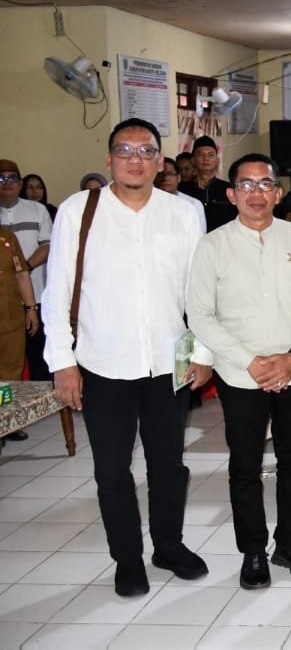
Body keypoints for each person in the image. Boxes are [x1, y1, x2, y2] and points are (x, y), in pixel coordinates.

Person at [42, 118, 213, 597]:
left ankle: (168, 545)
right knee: (112, 470)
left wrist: (200, 353)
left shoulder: (185, 212)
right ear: (109, 159)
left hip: (168, 363)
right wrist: (62, 361)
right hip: (102, 362)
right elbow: (57, 292)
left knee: (169, 464)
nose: (135, 160)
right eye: (125, 150)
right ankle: (127, 558)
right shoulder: (80, 210)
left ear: (160, 161)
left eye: (146, 151)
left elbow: (196, 294)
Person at [187, 152, 291, 590]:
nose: (256, 193)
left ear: (278, 192)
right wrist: (250, 361)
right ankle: (252, 550)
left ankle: (290, 542)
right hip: (239, 375)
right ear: (231, 194)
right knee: (244, 465)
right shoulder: (212, 245)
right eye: (245, 185)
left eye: (264, 184)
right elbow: (201, 315)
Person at [0, 159, 53, 388]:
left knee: (37, 352)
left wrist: (24, 268)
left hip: (36, 294)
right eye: (1, 178)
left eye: (12, 178)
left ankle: (39, 403)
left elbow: (48, 245)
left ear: (20, 184)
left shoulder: (37, 209)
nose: (7, 182)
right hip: (5, 299)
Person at [0, 226, 38, 379]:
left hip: (11, 318)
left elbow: (21, 274)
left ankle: (5, 402)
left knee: (11, 370)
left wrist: (31, 307)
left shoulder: (7, 236)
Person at [179, 136, 235, 230]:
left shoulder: (228, 189)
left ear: (217, 161)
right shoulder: (182, 190)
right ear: (193, 160)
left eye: (211, 155)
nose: (206, 159)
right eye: (201, 155)